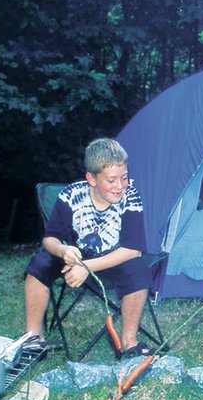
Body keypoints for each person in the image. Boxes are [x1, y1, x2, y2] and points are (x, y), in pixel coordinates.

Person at [23, 137, 153, 357]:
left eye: (124, 178)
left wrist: (87, 267)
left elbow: (133, 250)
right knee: (39, 264)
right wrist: (64, 251)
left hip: (113, 258)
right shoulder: (72, 195)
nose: (120, 186)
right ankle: (33, 339)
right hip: (74, 257)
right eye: (111, 180)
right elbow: (50, 239)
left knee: (139, 270)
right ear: (91, 178)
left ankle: (129, 343)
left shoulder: (131, 196)